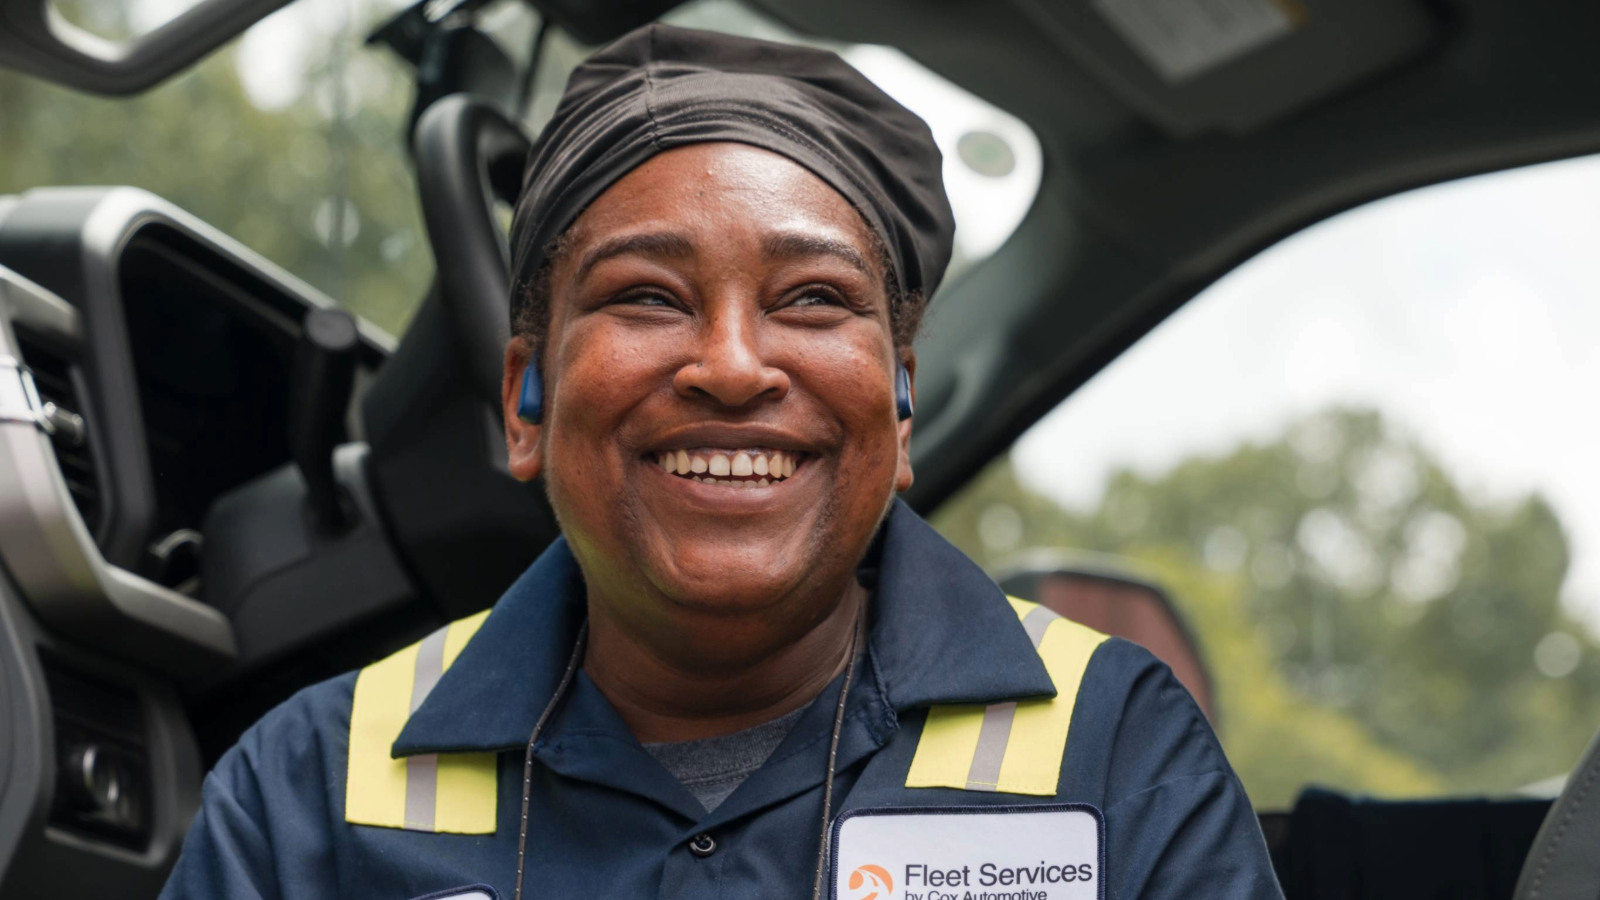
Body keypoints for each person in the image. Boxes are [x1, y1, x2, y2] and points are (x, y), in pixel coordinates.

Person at [159, 23, 1283, 900]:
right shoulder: (305, 789)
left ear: (900, 403)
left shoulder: (1115, 747)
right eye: (647, 295)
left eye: (811, 300)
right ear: (525, 403)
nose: (734, 365)